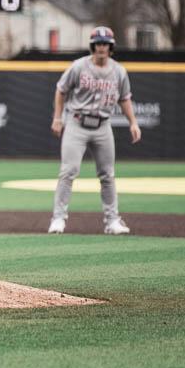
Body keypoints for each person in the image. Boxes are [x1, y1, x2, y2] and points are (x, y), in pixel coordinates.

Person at [48, 25, 141, 235]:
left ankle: (112, 221)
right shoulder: (79, 66)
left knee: (107, 174)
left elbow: (124, 98)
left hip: (102, 125)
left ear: (111, 47)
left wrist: (133, 122)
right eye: (98, 43)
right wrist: (57, 117)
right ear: (92, 46)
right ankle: (58, 218)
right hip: (77, 123)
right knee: (68, 171)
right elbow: (61, 90)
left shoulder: (118, 71)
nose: (101, 47)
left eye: (105, 44)